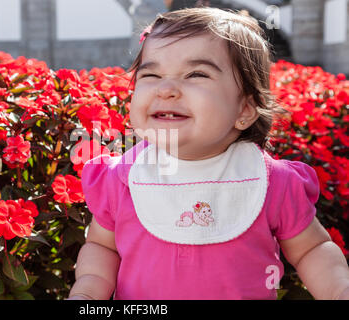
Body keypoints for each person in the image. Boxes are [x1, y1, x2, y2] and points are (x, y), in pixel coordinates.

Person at [67, 7, 349, 300]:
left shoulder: (270, 181)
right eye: (150, 74)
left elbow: (312, 249)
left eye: (196, 74)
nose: (166, 89)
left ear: (245, 109)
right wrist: (88, 289)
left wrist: (339, 290)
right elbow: (102, 247)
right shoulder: (123, 177)